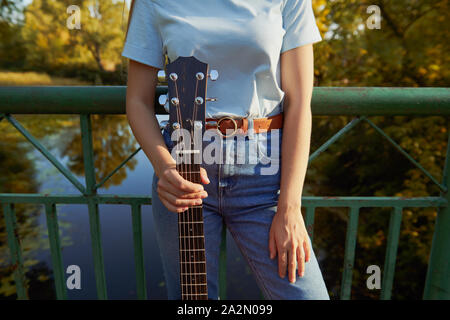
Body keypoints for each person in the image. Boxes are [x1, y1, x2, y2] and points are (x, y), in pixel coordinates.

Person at [122, 0, 329, 300]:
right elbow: (137, 101)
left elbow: (299, 104)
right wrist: (165, 168)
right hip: (186, 171)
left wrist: (290, 207)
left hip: (265, 174)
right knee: (193, 302)